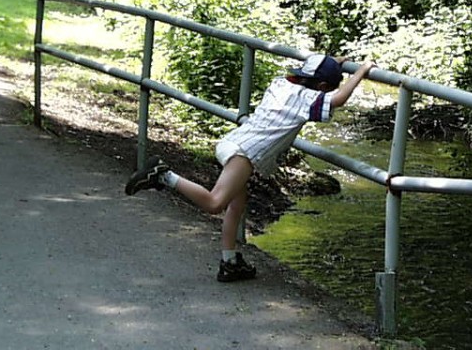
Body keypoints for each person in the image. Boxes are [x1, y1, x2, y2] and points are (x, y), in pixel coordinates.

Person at [125, 54, 377, 282]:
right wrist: (361, 71)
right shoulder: (307, 99)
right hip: (245, 154)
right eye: (328, 85)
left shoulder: (282, 84)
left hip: (235, 142)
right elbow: (339, 99)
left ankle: (230, 262)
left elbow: (317, 75)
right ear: (322, 86)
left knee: (238, 202)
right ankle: (163, 175)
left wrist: (336, 64)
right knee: (215, 203)